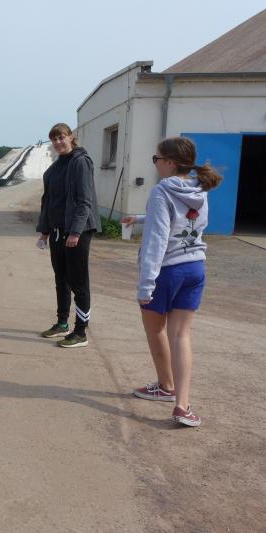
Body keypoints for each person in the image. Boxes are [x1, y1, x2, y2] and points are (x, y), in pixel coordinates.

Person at [122, 137, 222, 427]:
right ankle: (182, 405)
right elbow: (185, 223)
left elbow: (157, 241)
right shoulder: (200, 189)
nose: (154, 164)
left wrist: (146, 285)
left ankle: (166, 386)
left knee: (156, 330)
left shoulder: (161, 191)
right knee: (181, 336)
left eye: (156, 159)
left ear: (170, 162)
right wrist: (141, 218)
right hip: (194, 267)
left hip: (167, 271)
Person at [36, 123, 101, 348]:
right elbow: (48, 202)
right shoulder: (55, 168)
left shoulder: (80, 162)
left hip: (77, 232)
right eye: (54, 139)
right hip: (57, 231)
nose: (58, 142)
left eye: (61, 137)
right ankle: (62, 323)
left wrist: (75, 231)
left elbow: (85, 201)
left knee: (78, 281)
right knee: (61, 279)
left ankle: (80, 331)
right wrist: (44, 231)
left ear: (71, 137)